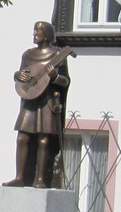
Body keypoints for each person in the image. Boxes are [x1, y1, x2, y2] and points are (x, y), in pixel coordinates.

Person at [4, 21, 72, 189]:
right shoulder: (28, 55)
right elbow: (21, 75)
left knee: (43, 140)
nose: (34, 33)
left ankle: (41, 179)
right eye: (34, 30)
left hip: (47, 101)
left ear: (47, 34)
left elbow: (65, 81)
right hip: (30, 101)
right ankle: (20, 177)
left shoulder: (57, 55)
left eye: (38, 30)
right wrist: (18, 75)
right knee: (22, 137)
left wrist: (55, 77)